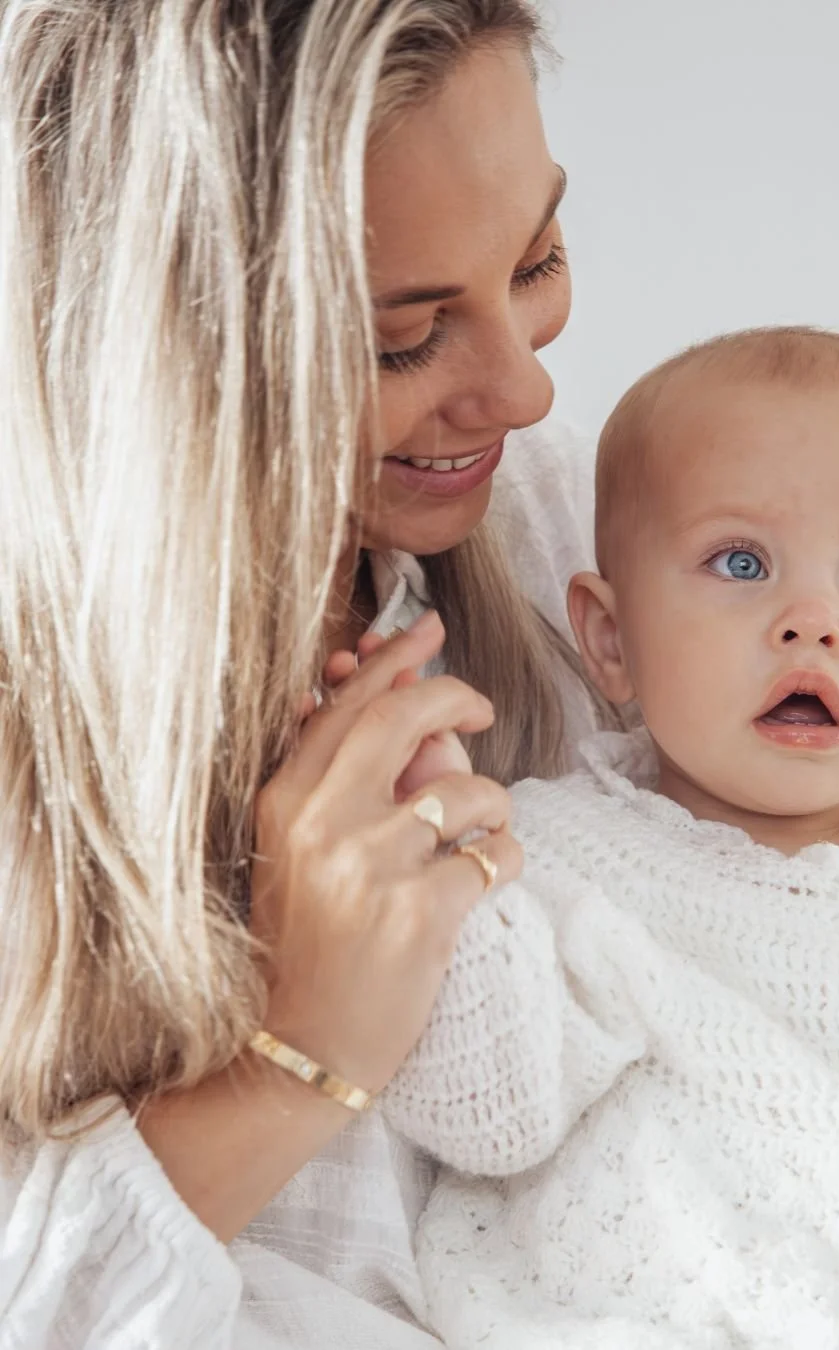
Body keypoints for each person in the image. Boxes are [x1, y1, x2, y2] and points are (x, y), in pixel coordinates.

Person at [0, 1, 602, 1345]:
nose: (523, 390)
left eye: (541, 258)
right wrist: (294, 1054)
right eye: (402, 339)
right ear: (163, 353)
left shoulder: (570, 537)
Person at [378, 328, 839, 1349]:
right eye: (741, 562)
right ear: (610, 641)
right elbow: (485, 1108)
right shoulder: (551, 863)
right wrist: (439, 847)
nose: (814, 621)